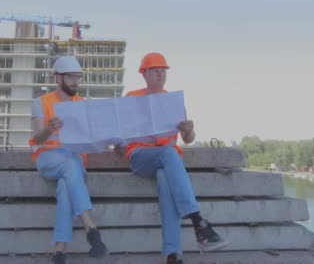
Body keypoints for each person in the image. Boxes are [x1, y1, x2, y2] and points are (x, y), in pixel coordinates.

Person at [116, 52, 228, 264]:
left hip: (166, 163)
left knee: (166, 181)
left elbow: (188, 138)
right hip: (139, 156)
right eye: (156, 71)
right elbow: (119, 139)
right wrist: (118, 143)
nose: (160, 75)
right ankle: (198, 221)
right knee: (168, 153)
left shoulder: (173, 101)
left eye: (163, 71)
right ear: (144, 74)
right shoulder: (131, 98)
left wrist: (189, 130)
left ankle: (172, 255)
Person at [30, 56, 109, 264]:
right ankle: (90, 227)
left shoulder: (82, 104)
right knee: (69, 164)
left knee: (66, 185)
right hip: (48, 159)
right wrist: (50, 127)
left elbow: (94, 134)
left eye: (78, 77)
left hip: (74, 161)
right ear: (58, 77)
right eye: (71, 77)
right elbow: (37, 138)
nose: (76, 81)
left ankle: (59, 253)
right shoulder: (41, 102)